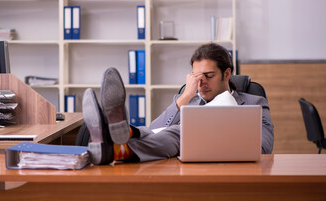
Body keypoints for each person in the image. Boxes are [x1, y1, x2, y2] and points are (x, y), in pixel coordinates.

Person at [82, 43, 274, 164]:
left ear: (227, 73)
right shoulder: (186, 100)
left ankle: (123, 137)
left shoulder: (255, 101)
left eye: (208, 76)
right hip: (189, 162)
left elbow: (264, 148)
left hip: (231, 162)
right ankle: (120, 147)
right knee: (175, 134)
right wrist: (184, 98)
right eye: (196, 76)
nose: (201, 83)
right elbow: (154, 130)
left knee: (182, 131)